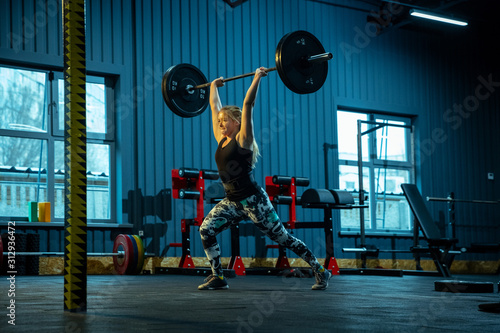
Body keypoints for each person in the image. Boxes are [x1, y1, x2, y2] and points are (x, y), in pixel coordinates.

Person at [198, 67, 331, 291]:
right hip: (232, 201)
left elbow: (248, 105)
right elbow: (214, 107)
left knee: (284, 238)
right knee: (206, 229)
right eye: (219, 121)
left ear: (237, 123)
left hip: (254, 201)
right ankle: (218, 277)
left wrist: (257, 78)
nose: (220, 124)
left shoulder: (244, 139)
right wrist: (212, 86)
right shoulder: (221, 139)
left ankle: (320, 270)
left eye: (225, 120)